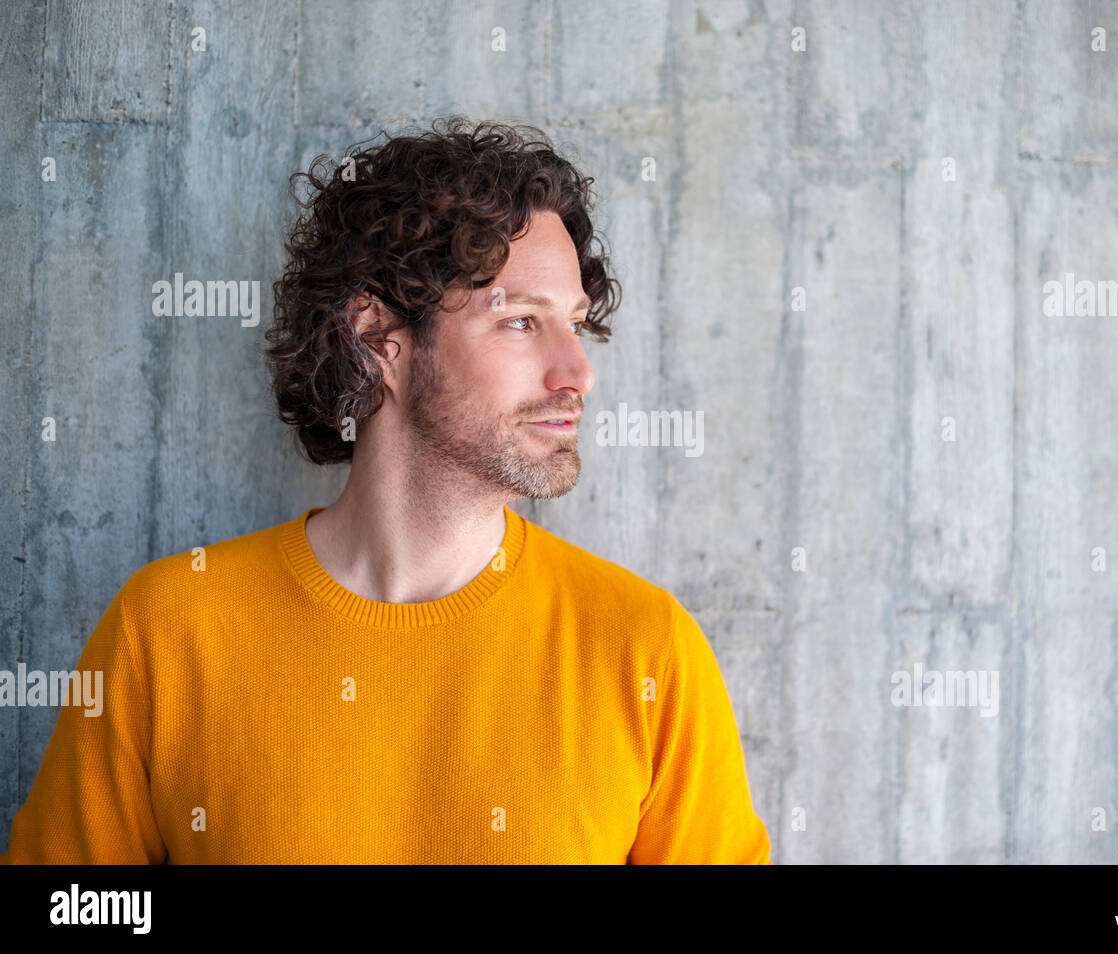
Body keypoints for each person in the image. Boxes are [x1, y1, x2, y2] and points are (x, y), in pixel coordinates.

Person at [1, 117, 771, 864]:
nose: (578, 373)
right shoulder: (168, 630)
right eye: (521, 323)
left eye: (574, 323)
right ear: (378, 340)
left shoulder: (645, 652)